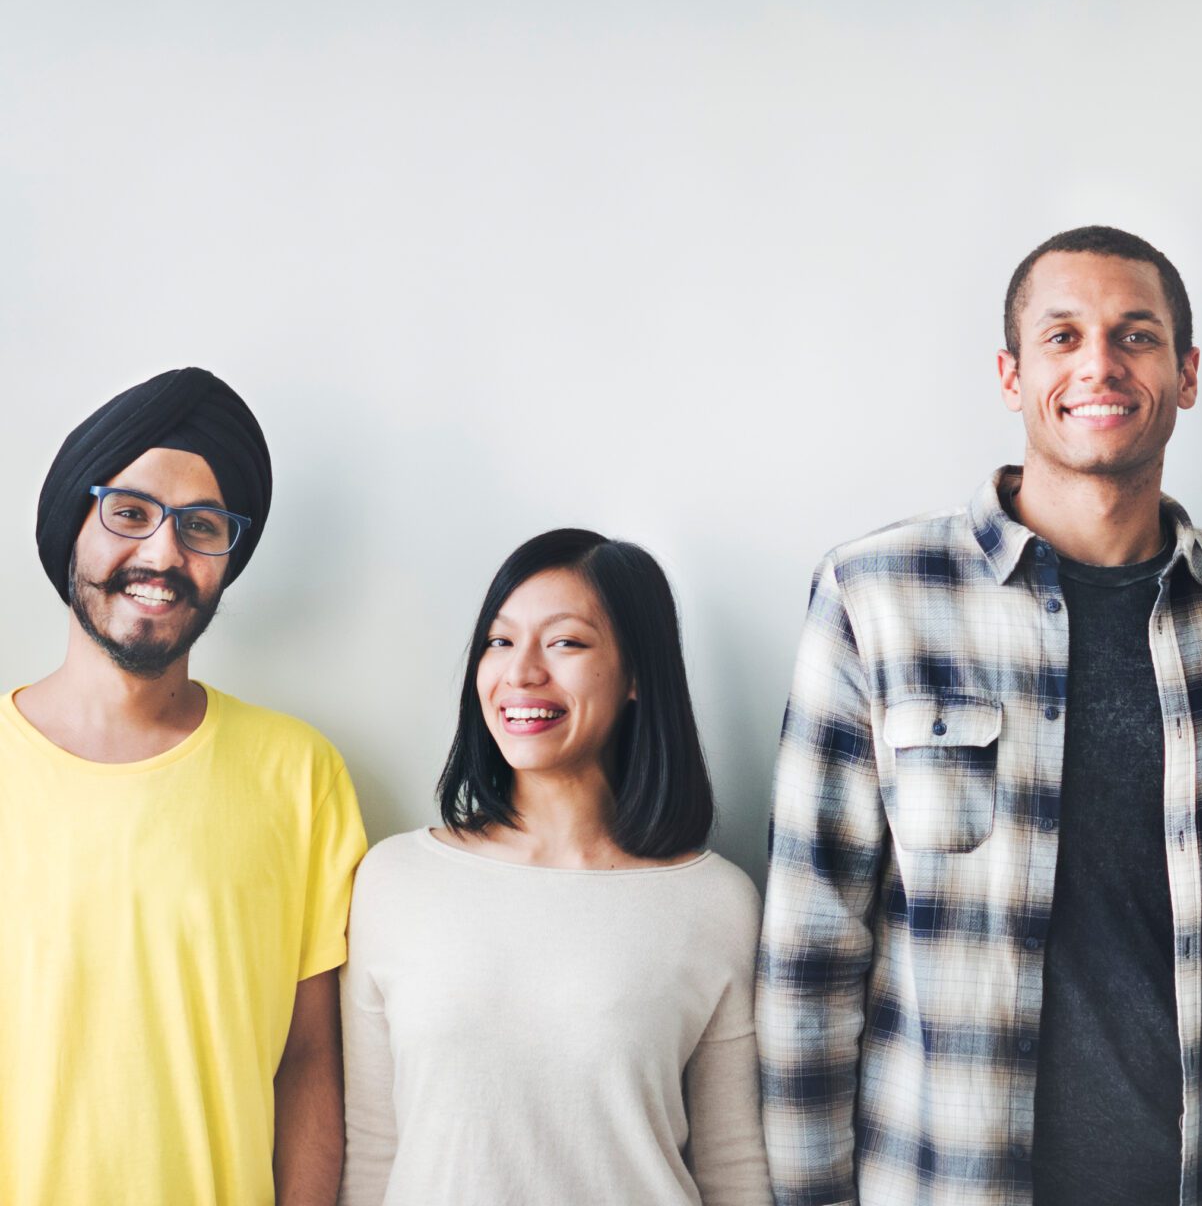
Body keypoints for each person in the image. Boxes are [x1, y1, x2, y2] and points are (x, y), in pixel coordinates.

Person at [759, 225, 1202, 1206]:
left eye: (1136, 335)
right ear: (1011, 374)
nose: (1099, 364)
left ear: (1187, 372)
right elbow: (810, 947)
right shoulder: (877, 597)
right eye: (1063, 336)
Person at [0, 367, 366, 1206]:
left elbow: (309, 1064)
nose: (163, 554)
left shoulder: (299, 774)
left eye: (201, 527)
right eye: (130, 512)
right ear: (72, 527)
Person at [339, 528, 770, 1204]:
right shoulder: (394, 881)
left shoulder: (715, 901)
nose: (521, 673)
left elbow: (734, 1170)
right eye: (499, 642)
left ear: (635, 675)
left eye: (565, 642)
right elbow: (371, 1151)